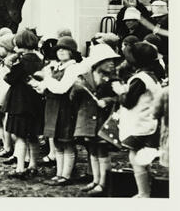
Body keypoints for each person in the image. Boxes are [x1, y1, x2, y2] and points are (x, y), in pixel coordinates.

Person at [69, 44, 120, 196]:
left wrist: (108, 100)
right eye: (107, 60)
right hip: (87, 120)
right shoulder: (84, 78)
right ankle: (96, 180)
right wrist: (75, 90)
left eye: (112, 60)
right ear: (98, 62)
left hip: (104, 121)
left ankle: (104, 183)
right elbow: (73, 98)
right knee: (92, 150)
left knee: (102, 151)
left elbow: (120, 98)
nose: (112, 63)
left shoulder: (114, 80)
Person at [114, 42, 162, 198]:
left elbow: (128, 102)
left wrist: (119, 91)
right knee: (143, 158)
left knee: (136, 158)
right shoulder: (152, 76)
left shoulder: (139, 79)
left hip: (139, 124)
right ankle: (146, 190)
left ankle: (143, 193)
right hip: (149, 123)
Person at [2, 29, 45, 179]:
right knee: (33, 136)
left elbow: (9, 79)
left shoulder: (20, 62)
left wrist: (9, 66)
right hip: (35, 103)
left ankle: (20, 167)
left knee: (20, 136)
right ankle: (33, 165)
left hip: (19, 102)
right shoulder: (40, 60)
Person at [40, 36, 79, 186]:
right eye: (59, 49)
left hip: (65, 108)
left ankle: (66, 175)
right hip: (53, 107)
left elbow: (61, 88)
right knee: (57, 142)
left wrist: (47, 79)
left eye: (66, 49)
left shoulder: (73, 68)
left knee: (67, 142)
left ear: (72, 52)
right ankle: (59, 174)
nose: (61, 52)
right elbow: (47, 87)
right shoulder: (57, 67)